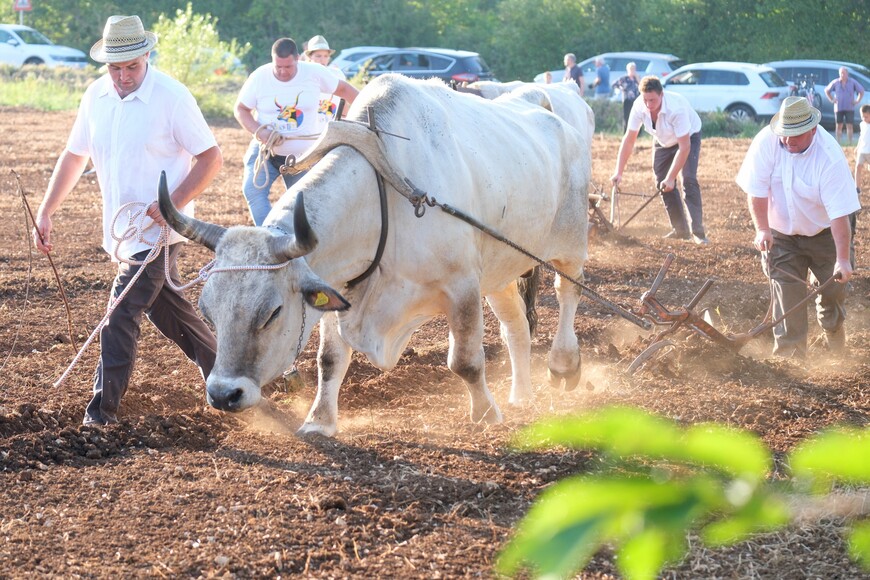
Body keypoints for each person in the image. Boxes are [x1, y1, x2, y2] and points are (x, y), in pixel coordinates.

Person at [32, 15, 222, 426]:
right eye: (115, 68)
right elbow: (74, 155)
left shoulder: (171, 96)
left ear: (146, 56)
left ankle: (101, 415)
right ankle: (227, 375)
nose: (123, 76)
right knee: (169, 313)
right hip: (123, 236)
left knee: (119, 314)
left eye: (131, 67)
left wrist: (173, 201)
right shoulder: (95, 95)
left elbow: (211, 158)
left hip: (158, 233)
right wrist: (46, 211)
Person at [736, 96, 860, 358]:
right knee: (787, 299)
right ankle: (790, 363)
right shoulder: (766, 142)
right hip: (781, 234)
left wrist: (842, 259)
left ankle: (836, 344)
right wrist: (763, 229)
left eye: (796, 135)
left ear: (812, 129)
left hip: (825, 233)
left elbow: (840, 215)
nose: (788, 140)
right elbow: (757, 192)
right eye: (784, 134)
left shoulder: (829, 157)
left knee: (831, 296)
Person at [234, 37, 359, 226]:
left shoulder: (315, 73)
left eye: (288, 67)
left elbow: (344, 89)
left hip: (302, 157)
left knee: (302, 204)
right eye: (278, 67)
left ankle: (294, 243)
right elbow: (241, 109)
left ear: (298, 60)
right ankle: (269, 237)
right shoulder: (260, 77)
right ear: (272, 60)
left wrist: (365, 109)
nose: (283, 72)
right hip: (265, 150)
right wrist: (261, 133)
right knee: (252, 190)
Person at [610, 76, 708, 244]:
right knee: (662, 183)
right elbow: (629, 139)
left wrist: (672, 178)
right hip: (662, 140)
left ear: (661, 94)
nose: (649, 104)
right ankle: (680, 230)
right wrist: (618, 171)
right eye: (645, 100)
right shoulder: (639, 105)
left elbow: (684, 148)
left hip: (687, 137)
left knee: (688, 180)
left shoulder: (676, 108)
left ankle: (698, 233)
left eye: (653, 100)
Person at [304, 35, 348, 130]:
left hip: (332, 130)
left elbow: (344, 102)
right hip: (309, 132)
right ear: (310, 57)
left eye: (326, 56)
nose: (322, 59)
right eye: (318, 56)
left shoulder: (337, 74)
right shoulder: (302, 76)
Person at [824, 67, 865, 145]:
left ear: (847, 73)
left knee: (849, 125)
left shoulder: (852, 82)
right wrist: (832, 99)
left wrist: (857, 100)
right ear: (839, 74)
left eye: (844, 73)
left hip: (849, 107)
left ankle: (850, 143)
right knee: (838, 125)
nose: (843, 75)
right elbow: (827, 90)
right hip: (838, 107)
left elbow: (861, 91)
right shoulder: (835, 82)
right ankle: (838, 143)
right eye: (841, 73)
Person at [611, 61, 640, 133]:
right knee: (627, 116)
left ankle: (638, 133)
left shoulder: (637, 78)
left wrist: (637, 78)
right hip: (627, 99)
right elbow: (614, 84)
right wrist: (621, 89)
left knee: (637, 116)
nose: (632, 70)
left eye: (633, 69)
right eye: (631, 69)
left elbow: (642, 86)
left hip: (636, 100)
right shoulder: (624, 78)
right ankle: (626, 132)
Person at [856, 104, 870, 194]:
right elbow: (861, 136)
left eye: (866, 117)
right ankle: (857, 188)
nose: (864, 119)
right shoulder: (862, 124)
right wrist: (857, 147)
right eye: (862, 117)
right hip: (862, 150)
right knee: (858, 167)